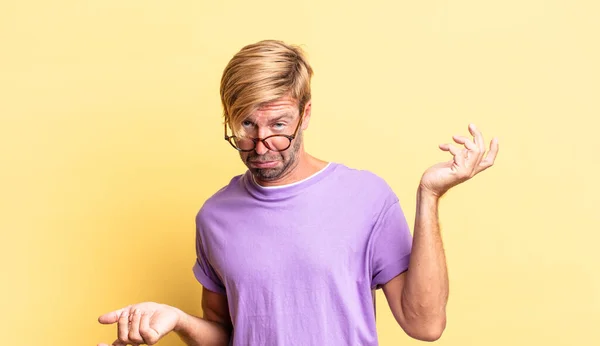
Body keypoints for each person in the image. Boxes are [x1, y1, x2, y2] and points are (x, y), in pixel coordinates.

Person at [97, 39, 499, 346]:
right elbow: (226, 335)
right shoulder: (214, 217)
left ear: (305, 114)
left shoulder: (366, 198)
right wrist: (178, 320)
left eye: (278, 125)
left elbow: (424, 324)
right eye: (246, 126)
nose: (260, 145)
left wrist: (429, 197)